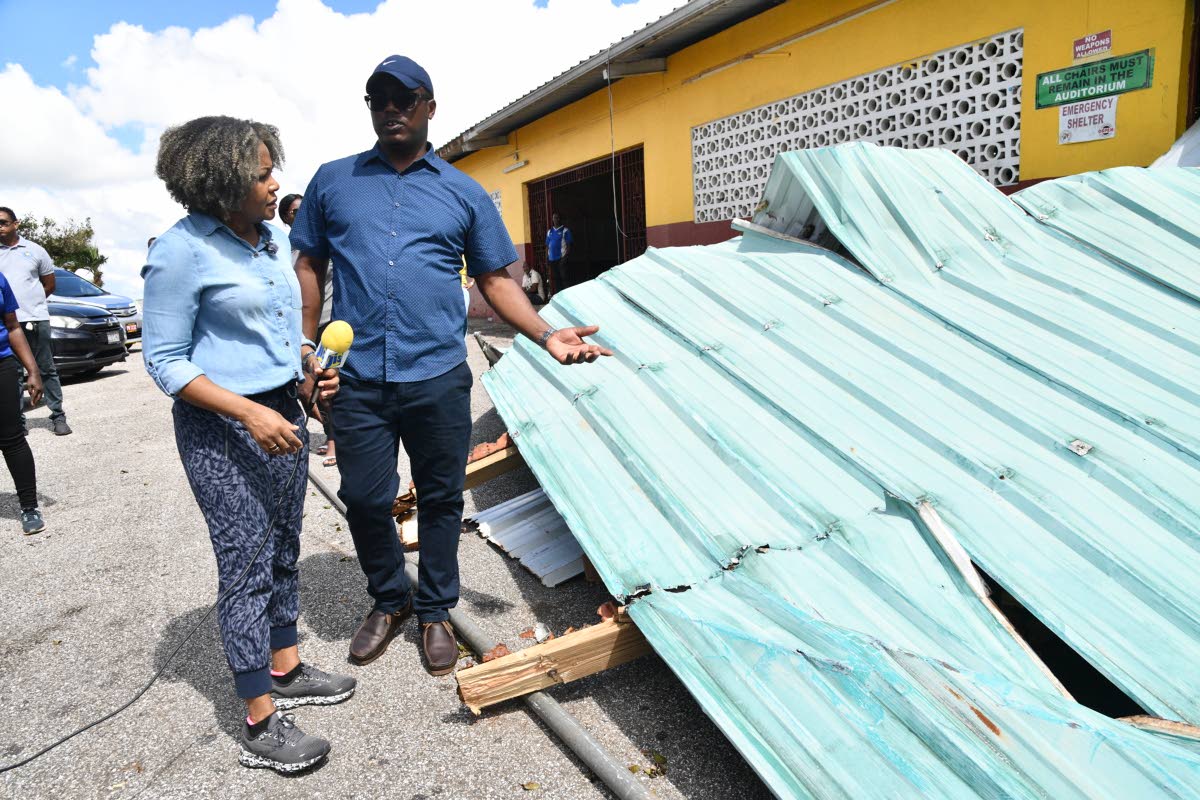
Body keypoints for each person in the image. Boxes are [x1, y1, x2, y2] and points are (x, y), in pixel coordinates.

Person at [292, 55, 611, 677]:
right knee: (363, 497)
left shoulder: (462, 191)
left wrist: (546, 334)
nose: (390, 109)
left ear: (429, 107)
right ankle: (390, 598)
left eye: (404, 98)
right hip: (355, 380)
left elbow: (495, 278)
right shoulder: (334, 182)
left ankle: (436, 610)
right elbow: (309, 264)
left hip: (437, 374)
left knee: (440, 499)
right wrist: (306, 349)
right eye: (377, 99)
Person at [142, 115, 350, 774]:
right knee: (246, 566)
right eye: (262, 174)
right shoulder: (179, 251)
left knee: (284, 546)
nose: (275, 183)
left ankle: (285, 666)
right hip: (221, 426)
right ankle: (260, 718)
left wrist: (308, 369)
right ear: (223, 182)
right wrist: (246, 413)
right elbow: (166, 361)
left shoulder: (270, 241)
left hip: (282, 410)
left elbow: (278, 331)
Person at [0, 207, 70, 436]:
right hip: (8, 324)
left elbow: (49, 285)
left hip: (35, 319)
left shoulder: (35, 251)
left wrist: (33, 304)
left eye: (3, 222)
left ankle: (58, 415)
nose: (0, 227)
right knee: (14, 373)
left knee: (46, 368)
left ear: (16, 223)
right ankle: (18, 421)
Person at [280, 193, 337, 468]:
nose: (300, 214)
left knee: (327, 383)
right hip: (299, 330)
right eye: (293, 212)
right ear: (285, 219)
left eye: (304, 209)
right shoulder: (280, 250)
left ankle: (335, 439)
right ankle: (335, 430)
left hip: (328, 323)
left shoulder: (324, 240)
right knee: (305, 390)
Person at [0, 268, 46, 534]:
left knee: (11, 438)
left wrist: (33, 370)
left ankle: (29, 507)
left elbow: (13, 326)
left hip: (2, 364)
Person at [546, 212, 572, 296]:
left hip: (561, 259)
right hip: (552, 259)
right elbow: (547, 245)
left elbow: (569, 246)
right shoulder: (549, 232)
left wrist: (565, 258)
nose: (555, 219)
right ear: (552, 219)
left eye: (557, 217)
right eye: (554, 218)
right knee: (555, 279)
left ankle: (568, 295)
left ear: (560, 219)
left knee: (564, 277)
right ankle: (559, 296)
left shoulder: (565, 230)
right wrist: (547, 257)